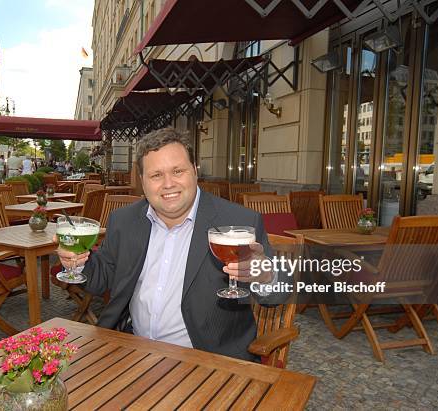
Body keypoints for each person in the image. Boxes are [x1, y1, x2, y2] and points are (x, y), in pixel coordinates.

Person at [56, 128, 276, 361]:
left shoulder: (239, 222)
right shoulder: (124, 221)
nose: (168, 184)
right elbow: (102, 277)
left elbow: (278, 294)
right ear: (142, 181)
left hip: (209, 360)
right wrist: (78, 261)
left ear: (194, 171)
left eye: (177, 171)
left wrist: (263, 275)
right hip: (133, 349)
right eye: (156, 175)